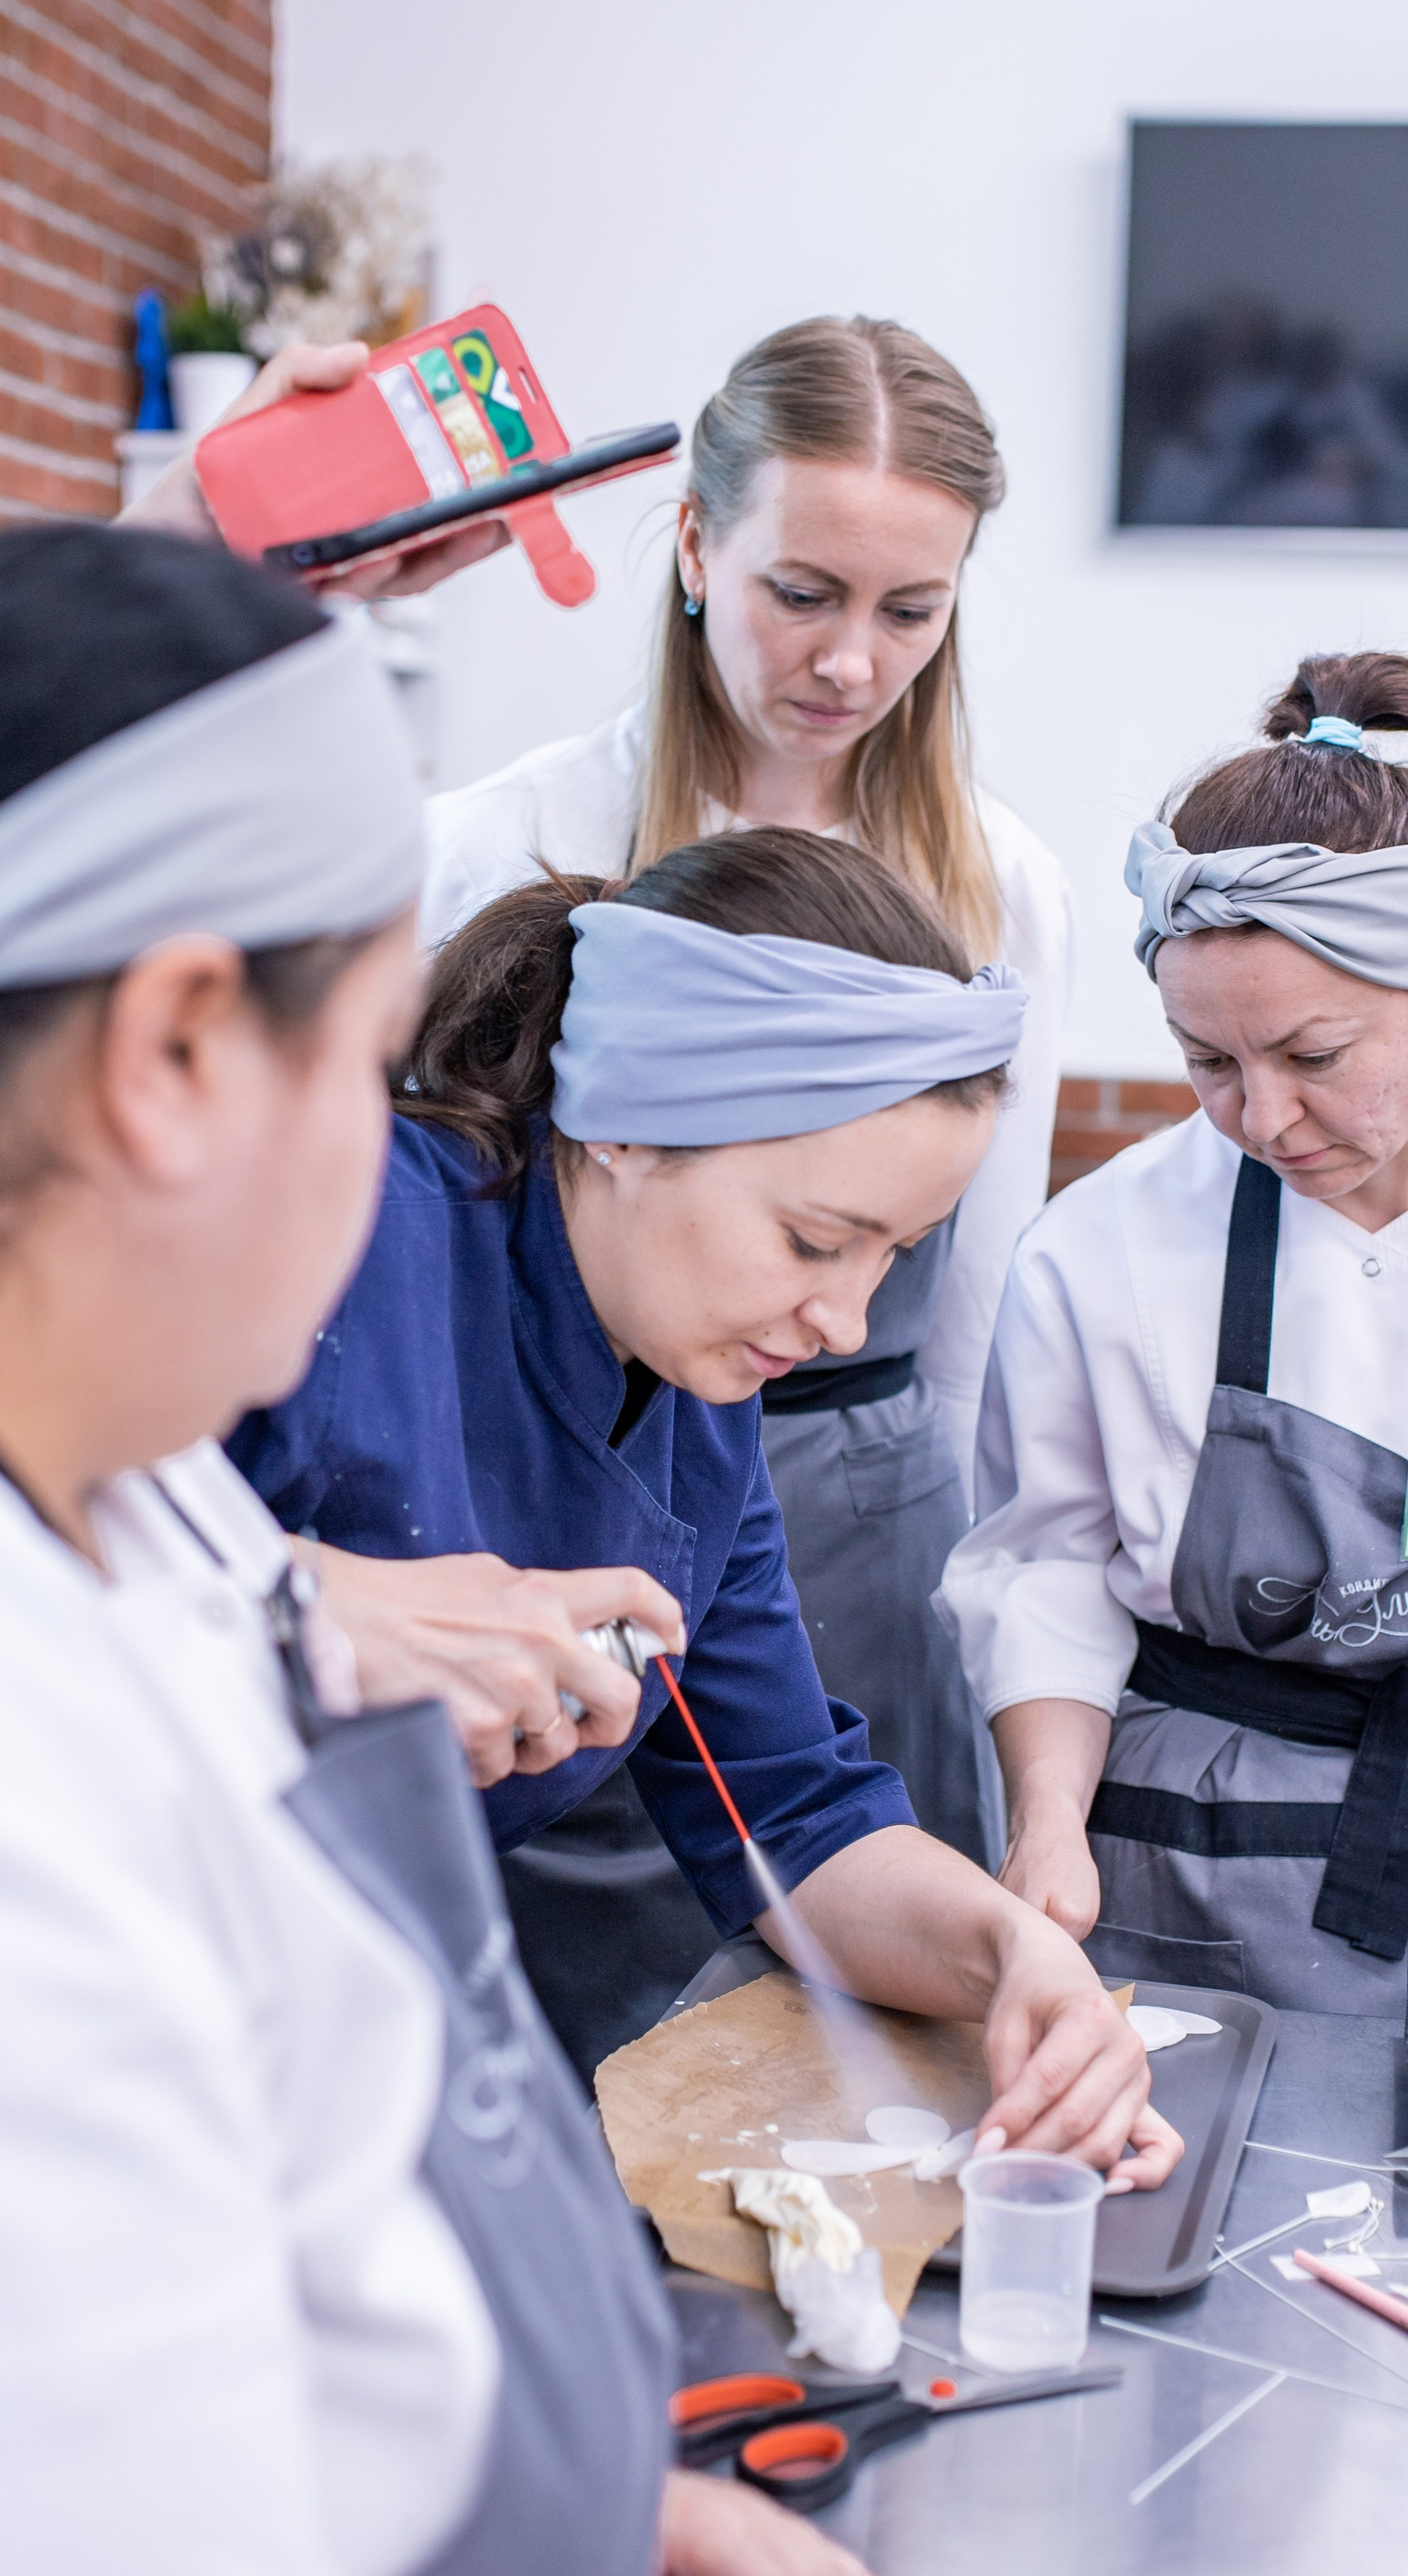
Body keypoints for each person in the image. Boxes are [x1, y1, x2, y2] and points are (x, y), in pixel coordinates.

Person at [0, 517, 879, 2576]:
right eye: (372, 1045)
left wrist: (616, 2519)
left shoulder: (162, 1518)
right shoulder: (33, 1820)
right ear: (178, 1056)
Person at [227, 826, 1183, 2202]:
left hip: (336, 2043)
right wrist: (313, 1609)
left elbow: (791, 1819)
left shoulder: (694, 1398)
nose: (843, 1319)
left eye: (891, 1257)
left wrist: (1008, 1960)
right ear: (623, 1123)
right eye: (811, 1240)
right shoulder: (338, 1238)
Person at [937, 652, 1408, 2013]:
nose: (1262, 1120)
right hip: (1166, 1883)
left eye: (1311, 1058)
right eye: (1205, 1063)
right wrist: (1044, 1829)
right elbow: (1046, 1576)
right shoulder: (1097, 1244)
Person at [422, 315, 1071, 1872]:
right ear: (695, 544)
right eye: (803, 593)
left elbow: (977, 1306)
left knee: (841, 1915)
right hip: (536, 1494)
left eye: (910, 610)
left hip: (860, 1511)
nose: (851, 662)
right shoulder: (497, 846)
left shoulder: (997, 887)